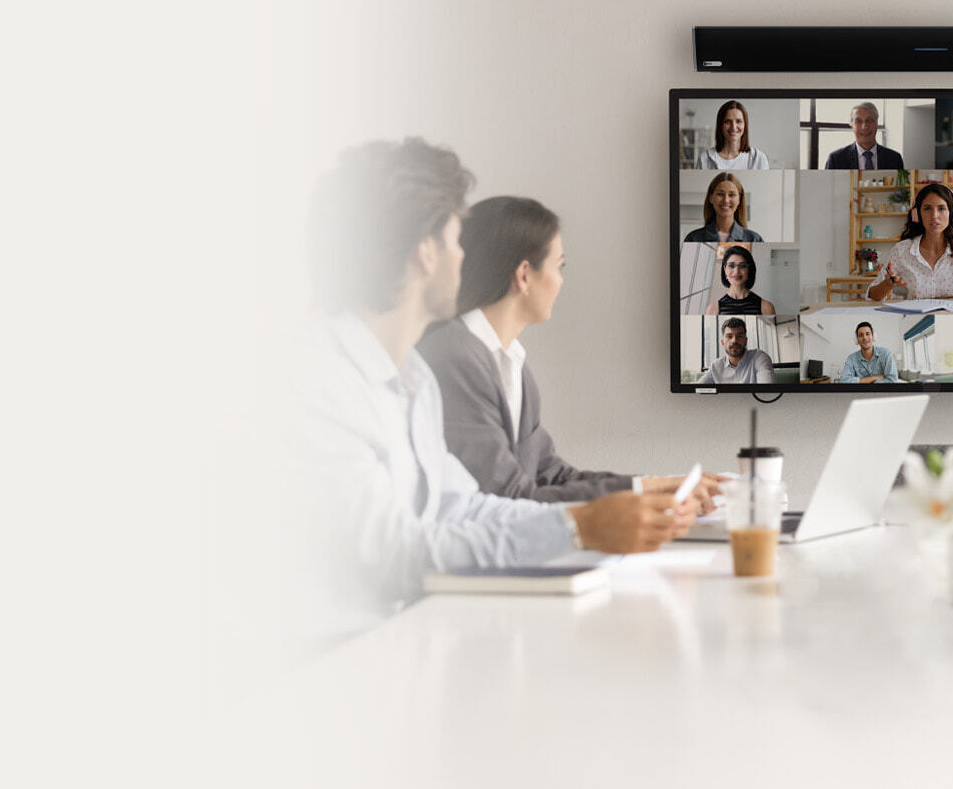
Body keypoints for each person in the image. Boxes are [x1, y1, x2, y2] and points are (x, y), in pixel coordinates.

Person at [300, 138, 698, 633]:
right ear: (425, 253)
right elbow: (396, 554)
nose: (465, 258)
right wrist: (577, 528)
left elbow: (464, 506)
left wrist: (601, 518)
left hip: (400, 647)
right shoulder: (316, 383)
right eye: (454, 240)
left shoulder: (413, 382)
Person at [418, 196, 721, 507]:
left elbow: (553, 475)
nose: (561, 282)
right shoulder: (456, 358)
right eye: (559, 266)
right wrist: (646, 493)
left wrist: (653, 486)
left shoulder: (512, 363)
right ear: (524, 275)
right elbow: (509, 497)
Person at [866, 182, 953, 300]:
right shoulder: (901, 250)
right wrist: (888, 284)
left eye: (941, 208)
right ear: (917, 214)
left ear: (952, 214)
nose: (934, 216)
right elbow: (872, 295)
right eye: (927, 208)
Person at [681, 172, 764, 243]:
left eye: (731, 195)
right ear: (711, 198)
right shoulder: (693, 239)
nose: (726, 200)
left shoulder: (754, 239)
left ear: (739, 199)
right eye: (720, 194)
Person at [823, 102, 905, 170]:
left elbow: (901, 189)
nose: (864, 126)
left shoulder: (894, 158)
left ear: (877, 123)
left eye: (869, 120)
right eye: (858, 121)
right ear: (852, 125)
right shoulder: (836, 159)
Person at [695, 99, 770, 170]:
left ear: (745, 125)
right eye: (727, 121)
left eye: (739, 121)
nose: (733, 127)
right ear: (720, 125)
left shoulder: (759, 159)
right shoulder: (704, 159)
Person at [699, 317, 775, 384]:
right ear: (723, 342)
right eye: (729, 336)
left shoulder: (760, 358)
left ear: (746, 340)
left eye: (739, 336)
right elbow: (696, 391)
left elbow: (768, 391)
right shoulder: (715, 366)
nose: (734, 340)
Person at [704, 244, 775, 316]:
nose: (736, 271)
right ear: (725, 269)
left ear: (749, 270)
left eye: (743, 266)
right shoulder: (713, 309)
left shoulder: (766, 307)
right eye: (731, 265)